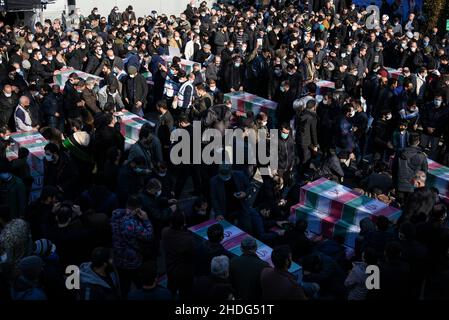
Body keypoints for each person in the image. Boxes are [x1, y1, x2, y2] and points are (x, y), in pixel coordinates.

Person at [161, 210, 195, 300]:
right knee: (185, 295)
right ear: (183, 224)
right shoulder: (188, 240)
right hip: (184, 273)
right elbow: (192, 255)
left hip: (170, 269)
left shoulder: (165, 232)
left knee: (171, 290)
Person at [392, 132, 428, 205]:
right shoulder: (422, 156)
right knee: (407, 207)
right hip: (412, 186)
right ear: (418, 142)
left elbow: (394, 168)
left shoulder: (399, 152)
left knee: (398, 205)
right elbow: (424, 172)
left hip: (399, 183)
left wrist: (395, 181)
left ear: (408, 141)